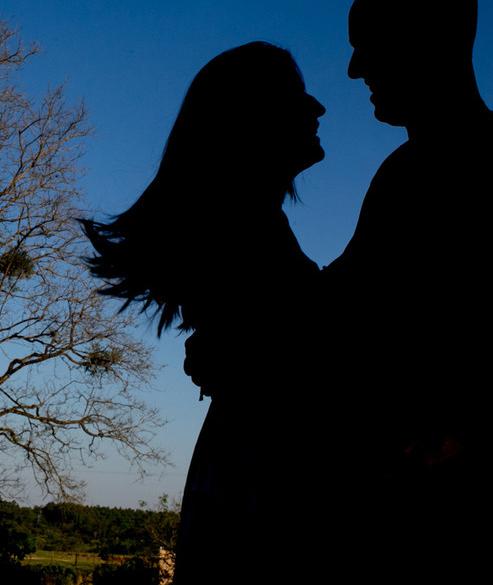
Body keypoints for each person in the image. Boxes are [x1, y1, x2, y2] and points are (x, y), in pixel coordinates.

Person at [324, 0, 493, 583]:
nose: (354, 69)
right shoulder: (434, 160)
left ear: (426, 39)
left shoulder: (450, 164)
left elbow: (346, 307)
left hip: (441, 482)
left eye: (367, 46)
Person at [82, 41, 326, 583]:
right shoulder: (243, 234)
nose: (317, 109)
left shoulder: (247, 228)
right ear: (248, 120)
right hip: (263, 486)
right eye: (294, 96)